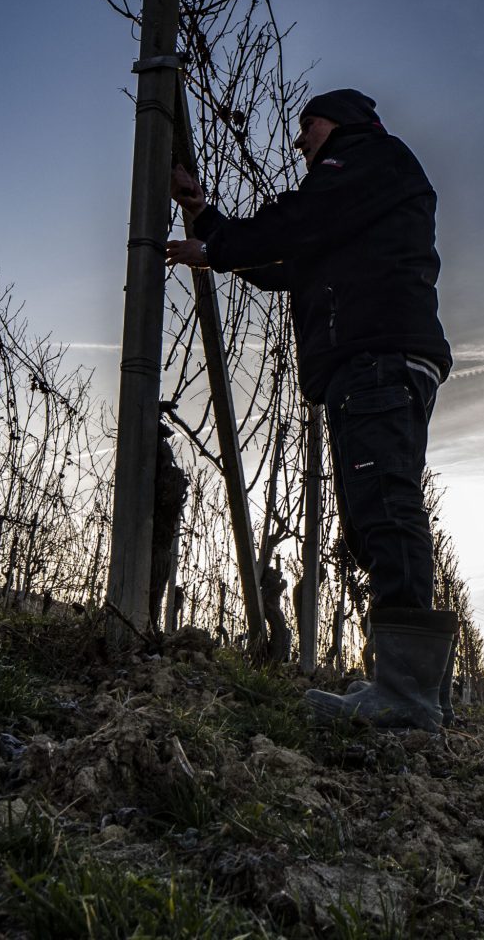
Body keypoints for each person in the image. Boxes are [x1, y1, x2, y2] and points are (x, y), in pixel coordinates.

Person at [167, 88, 457, 731]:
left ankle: (410, 702)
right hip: (370, 362)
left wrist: (217, 246)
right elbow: (289, 260)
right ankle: (404, 689)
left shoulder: (368, 160)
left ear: (343, 123)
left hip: (379, 356)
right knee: (368, 518)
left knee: (385, 507)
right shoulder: (356, 197)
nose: (299, 141)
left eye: (309, 126)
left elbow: (294, 225)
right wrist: (206, 221)